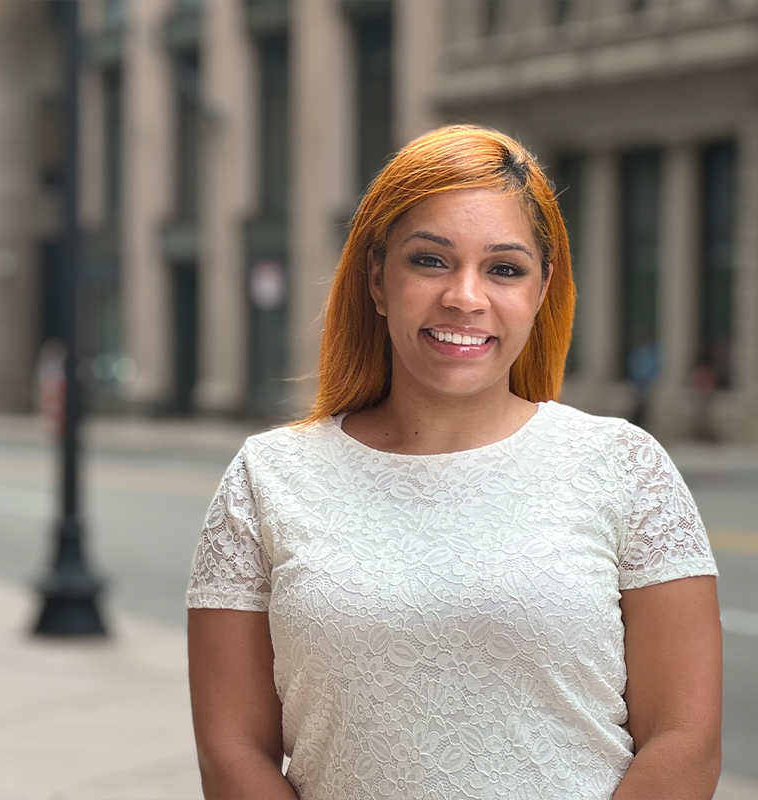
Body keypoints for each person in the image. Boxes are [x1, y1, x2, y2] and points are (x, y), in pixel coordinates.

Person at [187, 125, 722, 800]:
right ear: (377, 279)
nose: (466, 297)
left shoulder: (625, 466)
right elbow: (232, 752)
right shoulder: (266, 480)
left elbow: (686, 741)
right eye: (431, 261)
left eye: (504, 268)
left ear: (541, 290)